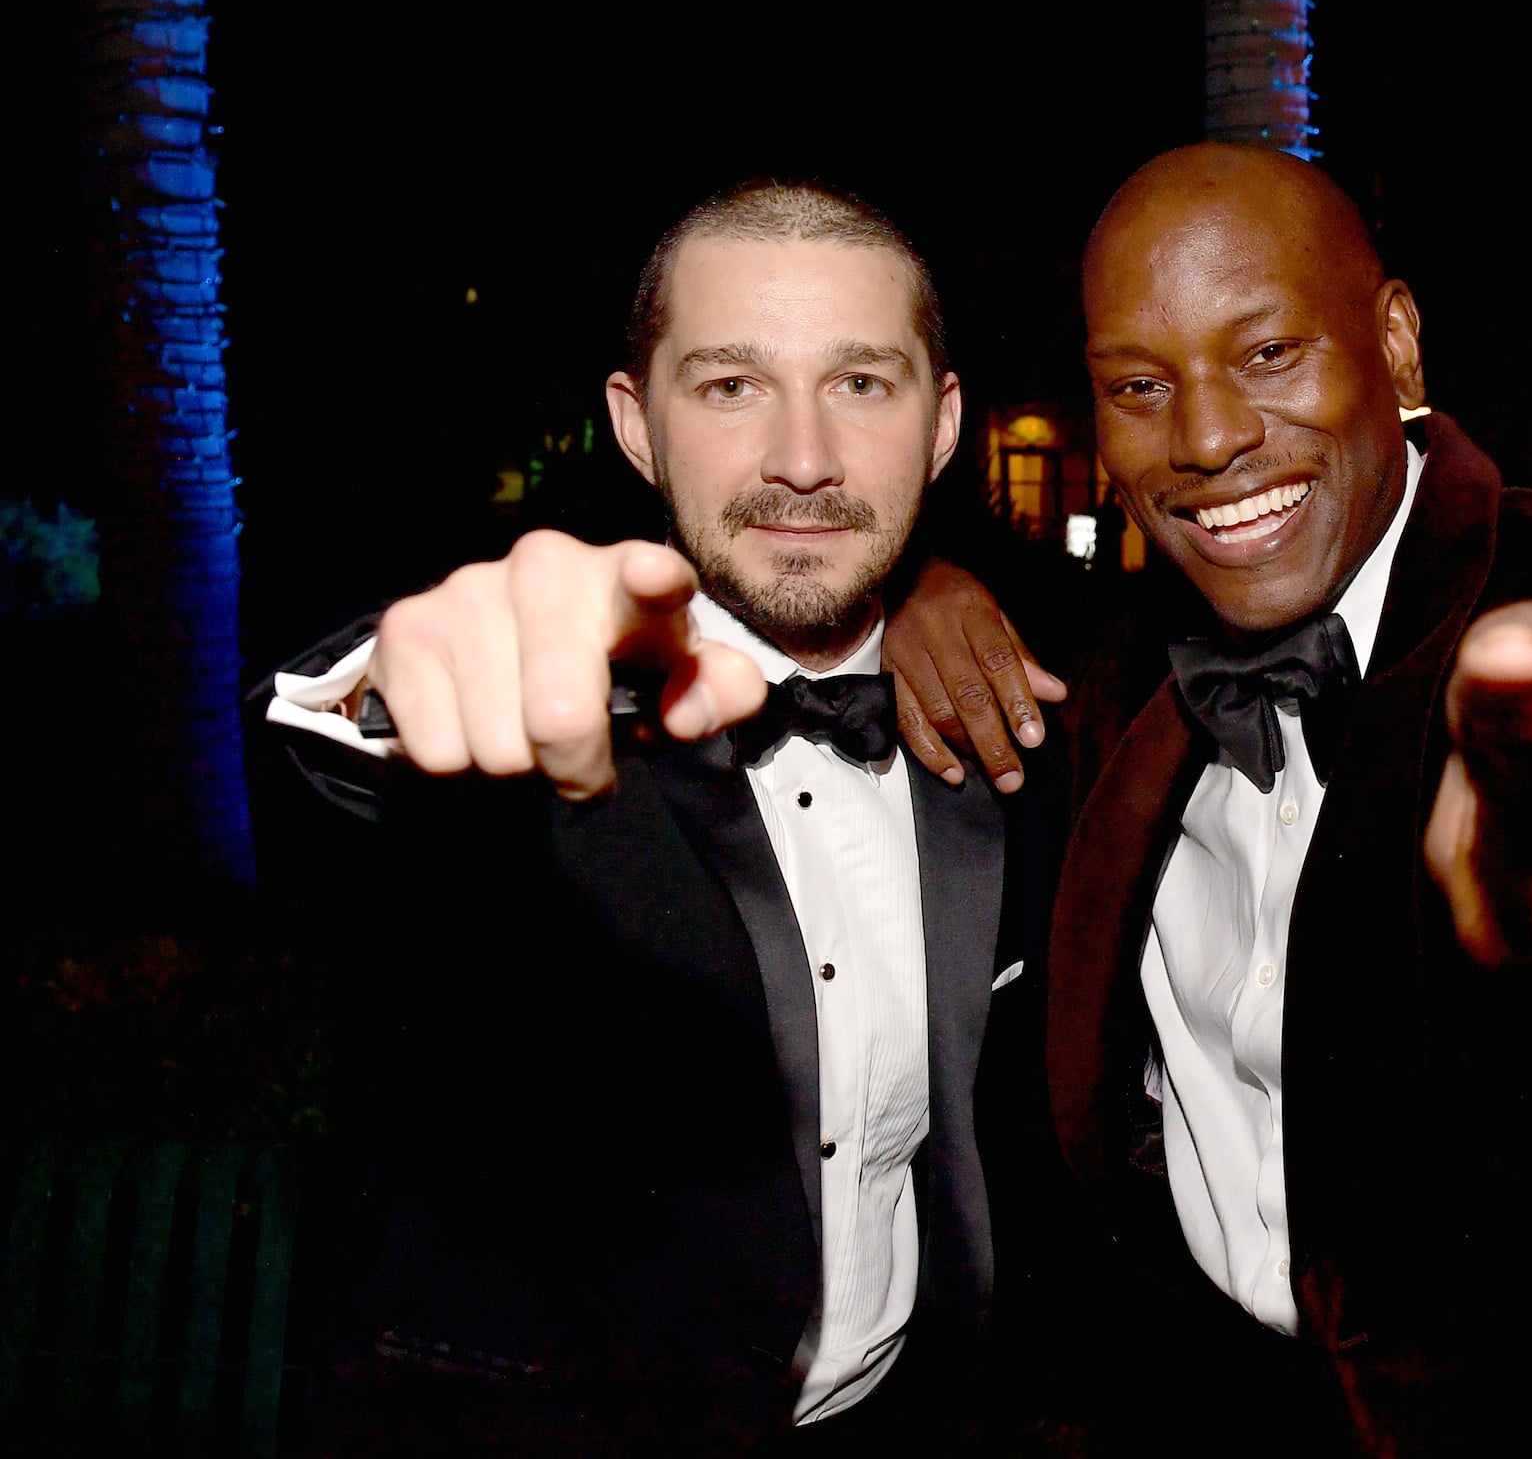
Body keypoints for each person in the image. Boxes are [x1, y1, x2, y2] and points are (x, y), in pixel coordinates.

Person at [881, 143, 1532, 1454]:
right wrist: (897, 597)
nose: (1206, 437)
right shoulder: (1119, 691)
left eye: (1269, 355)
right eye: (1141, 386)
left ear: (1398, 349)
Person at [259, 180, 1068, 1452]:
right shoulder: (549, 738)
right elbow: (343, 752)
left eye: (862, 383)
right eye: (731, 385)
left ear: (942, 424)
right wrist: (393, 684)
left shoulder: (1006, 724)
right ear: (637, 427)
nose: (803, 458)